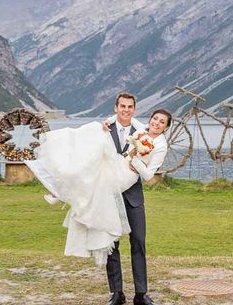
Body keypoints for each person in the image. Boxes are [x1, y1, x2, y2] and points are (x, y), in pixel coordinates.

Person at [24, 92, 169, 305]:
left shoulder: (142, 130)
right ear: (116, 107)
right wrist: (107, 124)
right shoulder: (105, 127)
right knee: (111, 243)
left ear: (134, 110)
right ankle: (116, 294)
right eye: (123, 106)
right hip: (107, 194)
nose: (126, 110)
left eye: (130, 107)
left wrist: (134, 160)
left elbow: (148, 170)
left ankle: (141, 294)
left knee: (138, 242)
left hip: (133, 197)